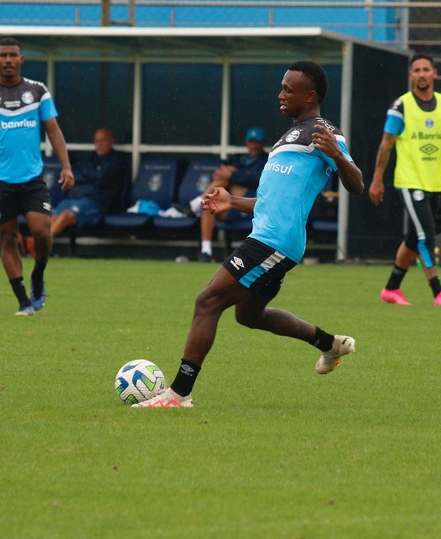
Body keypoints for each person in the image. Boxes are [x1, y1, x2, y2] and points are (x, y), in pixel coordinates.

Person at [135, 60, 364, 408]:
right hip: (271, 237)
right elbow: (272, 201)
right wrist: (232, 201)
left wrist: (339, 156)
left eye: (288, 89)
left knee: (207, 301)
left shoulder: (324, 133)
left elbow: (357, 184)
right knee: (249, 316)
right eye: (282, 87)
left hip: (274, 241)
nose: (280, 94)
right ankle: (328, 344)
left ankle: (179, 394)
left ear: (310, 96)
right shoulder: (290, 135)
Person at [0, 37, 74, 316]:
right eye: (3, 55)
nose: (8, 60)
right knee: (7, 238)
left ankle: (38, 272)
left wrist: (66, 166)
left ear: (21, 59)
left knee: (41, 231)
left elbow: (53, 130)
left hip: (31, 177)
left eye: (13, 55)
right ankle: (23, 302)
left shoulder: (37, 91)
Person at [368, 53, 441, 307]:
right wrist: (377, 179)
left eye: (425, 69)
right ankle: (438, 291)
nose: (421, 74)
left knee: (413, 238)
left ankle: (391, 289)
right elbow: (386, 145)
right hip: (410, 181)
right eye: (416, 70)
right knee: (425, 236)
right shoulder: (401, 106)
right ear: (411, 76)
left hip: (433, 182)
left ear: (434, 74)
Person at [31, 126, 127, 253]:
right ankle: (36, 245)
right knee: (53, 217)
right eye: (97, 141)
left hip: (95, 202)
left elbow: (102, 177)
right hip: (74, 198)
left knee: (66, 216)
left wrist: (87, 176)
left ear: (111, 141)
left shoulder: (116, 161)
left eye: (103, 140)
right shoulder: (89, 159)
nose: (99, 144)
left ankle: (38, 246)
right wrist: (91, 176)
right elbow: (75, 175)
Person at [192, 126, 268, 262]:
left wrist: (233, 174)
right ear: (246, 142)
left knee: (225, 181)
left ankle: (195, 203)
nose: (254, 145)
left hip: (249, 206)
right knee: (209, 204)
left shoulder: (267, 160)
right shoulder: (239, 159)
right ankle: (206, 251)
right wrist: (232, 174)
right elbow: (219, 173)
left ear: (263, 143)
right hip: (229, 205)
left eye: (258, 142)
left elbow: (257, 180)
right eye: (251, 141)